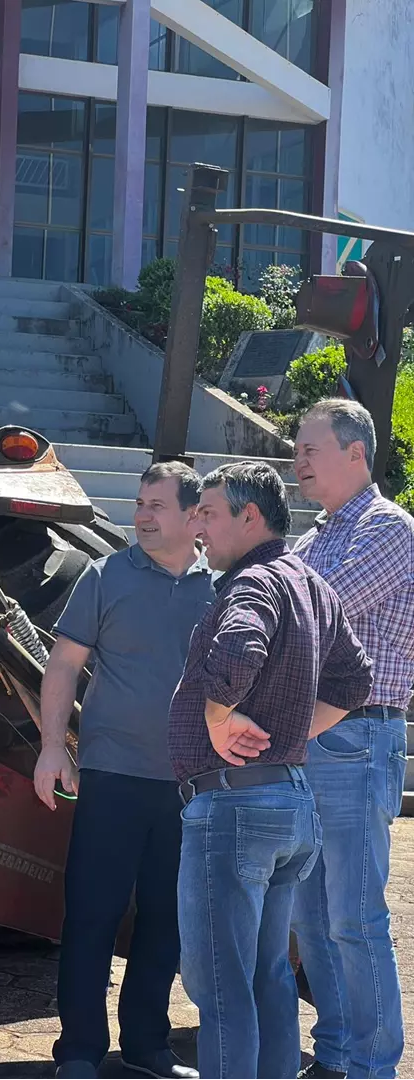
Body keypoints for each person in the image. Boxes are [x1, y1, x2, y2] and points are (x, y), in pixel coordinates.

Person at [168, 461, 373, 1080]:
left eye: (207, 512)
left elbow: (237, 651)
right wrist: (293, 733)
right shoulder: (310, 583)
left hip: (234, 811)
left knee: (222, 990)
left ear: (248, 516)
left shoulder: (252, 583)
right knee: (266, 981)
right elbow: (355, 678)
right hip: (287, 807)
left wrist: (215, 713)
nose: (198, 527)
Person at [34, 460, 214, 1080]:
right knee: (91, 914)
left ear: (195, 517)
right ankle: (80, 1050)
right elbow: (62, 666)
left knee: (166, 921)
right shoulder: (103, 575)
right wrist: (52, 746)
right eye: (139, 502)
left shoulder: (221, 589)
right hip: (110, 776)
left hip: (190, 786)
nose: (140, 514)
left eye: (155, 505)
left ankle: (146, 1046)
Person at [291, 398, 414, 1080]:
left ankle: (370, 1067)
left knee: (353, 918)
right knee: (310, 919)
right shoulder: (314, 536)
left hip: (355, 738)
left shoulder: (387, 529)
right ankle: (336, 1056)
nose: (297, 460)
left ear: (355, 453)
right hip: (308, 740)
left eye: (309, 448)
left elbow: (312, 610)